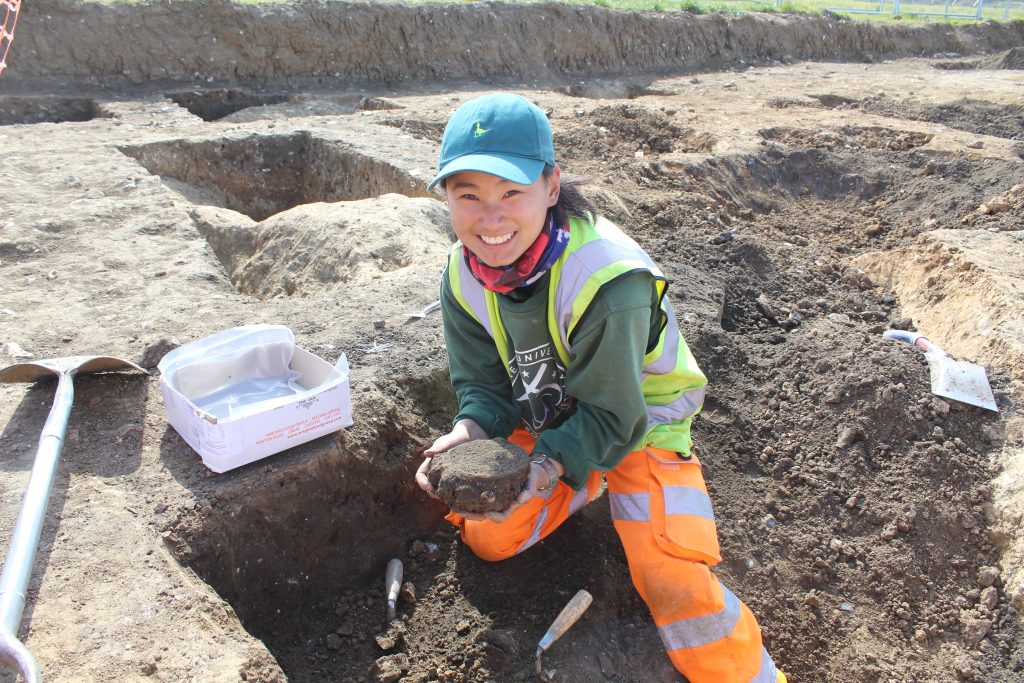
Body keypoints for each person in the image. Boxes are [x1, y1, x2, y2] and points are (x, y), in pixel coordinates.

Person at [415, 92, 785, 683]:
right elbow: (483, 385)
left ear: (551, 187)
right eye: (469, 196)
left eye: (511, 193)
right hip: (557, 418)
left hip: (640, 422)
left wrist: (542, 467)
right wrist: (469, 429)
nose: (490, 219)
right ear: (448, 200)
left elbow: (614, 417)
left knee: (672, 580)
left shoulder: (608, 279)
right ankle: (586, 484)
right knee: (490, 533)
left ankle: (748, 676)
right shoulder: (463, 274)